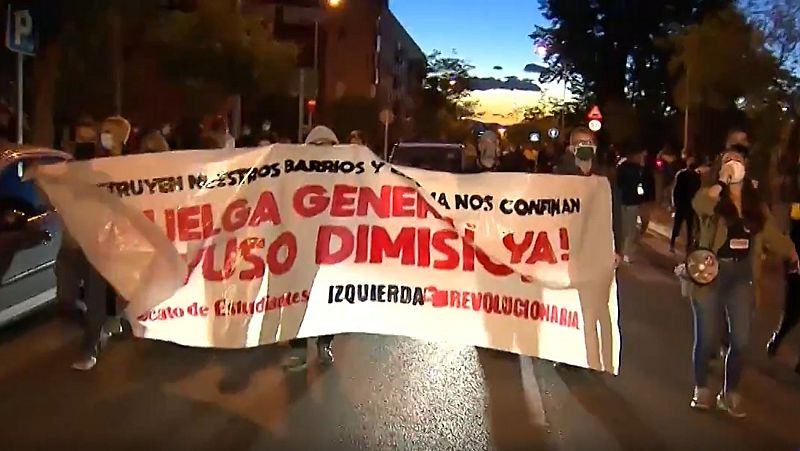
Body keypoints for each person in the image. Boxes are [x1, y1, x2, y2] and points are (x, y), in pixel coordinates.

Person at [689, 145, 798, 417]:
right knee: (708, 338)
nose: (734, 163)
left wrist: (793, 252)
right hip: (711, 273)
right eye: (728, 160)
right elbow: (699, 205)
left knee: (740, 340)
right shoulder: (713, 196)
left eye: (739, 160)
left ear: (747, 168)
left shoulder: (755, 203)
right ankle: (702, 389)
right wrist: (721, 184)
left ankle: (731, 393)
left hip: (742, 277)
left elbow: (772, 234)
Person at [282, 125, 339, 371]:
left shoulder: (344, 175)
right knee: (297, 298)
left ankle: (324, 344)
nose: (322, 152)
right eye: (317, 147)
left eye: (328, 147)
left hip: (333, 250)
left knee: (329, 299)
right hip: (301, 249)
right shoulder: (295, 175)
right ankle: (299, 349)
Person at [615, 148, 647, 262]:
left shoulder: (621, 167)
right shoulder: (637, 169)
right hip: (631, 201)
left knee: (624, 227)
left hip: (622, 200)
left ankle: (622, 250)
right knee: (630, 228)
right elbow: (640, 185)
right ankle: (627, 253)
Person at [670, 155, 702, 253]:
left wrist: (674, 203)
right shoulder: (694, 176)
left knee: (682, 225)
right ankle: (685, 246)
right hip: (688, 203)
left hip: (684, 203)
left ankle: (675, 244)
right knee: (687, 226)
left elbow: (675, 190)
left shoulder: (683, 174)